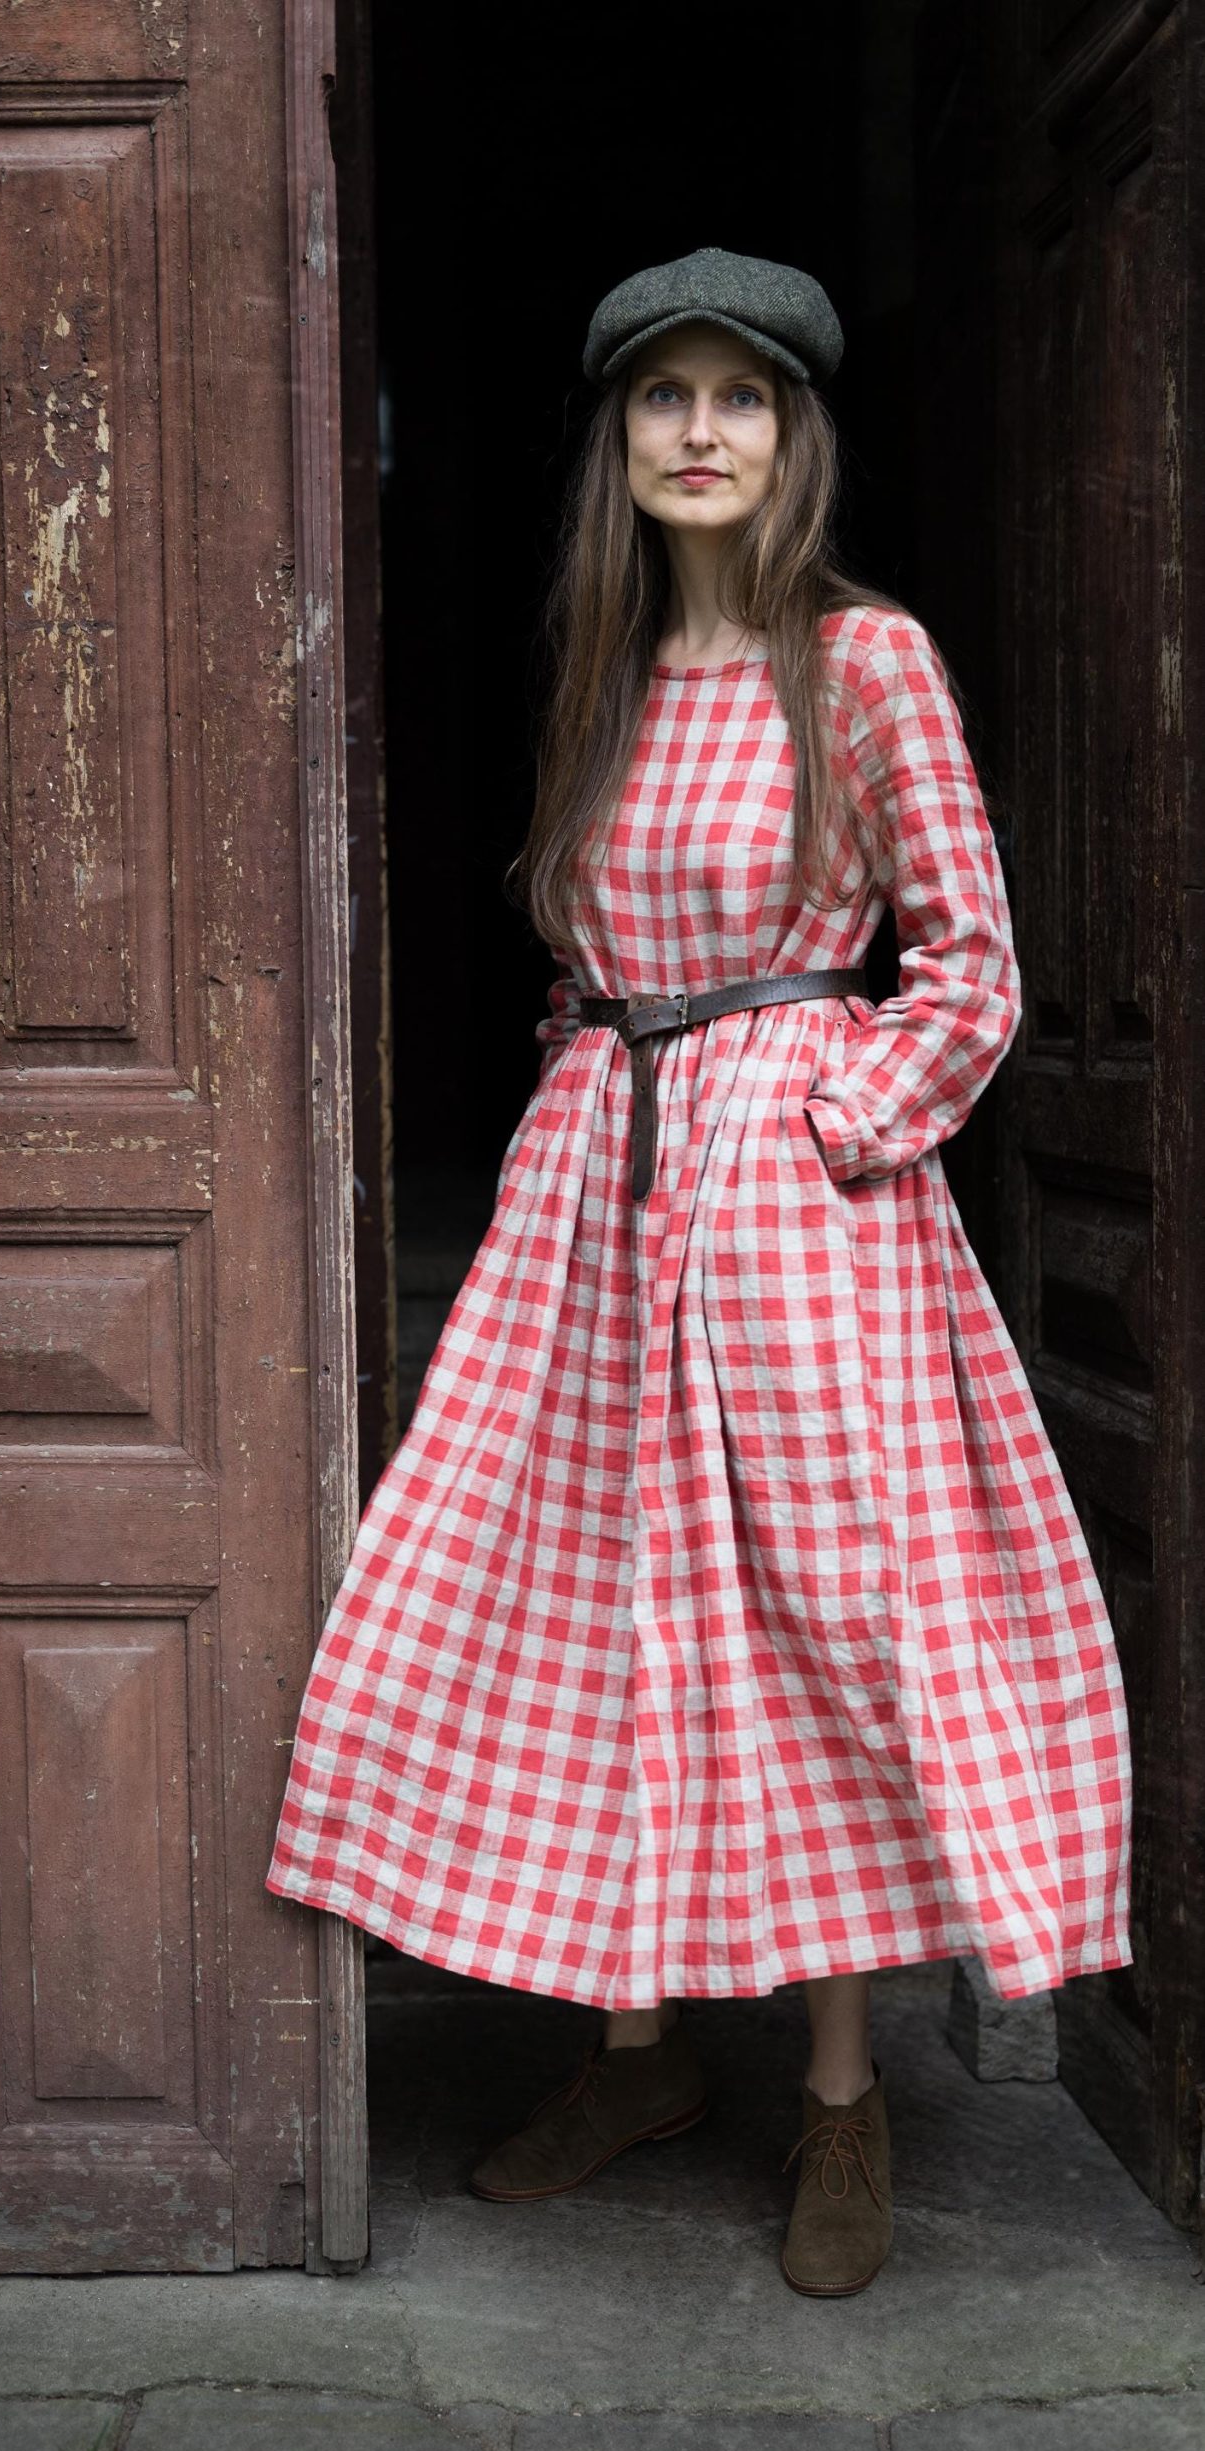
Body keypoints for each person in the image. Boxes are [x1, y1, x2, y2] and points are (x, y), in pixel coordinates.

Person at [266, 247, 1132, 2296]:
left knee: (815, 1612)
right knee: (590, 1590)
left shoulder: (870, 659)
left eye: (743, 397)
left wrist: (826, 1129)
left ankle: (843, 2095)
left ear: (795, 435)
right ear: (621, 442)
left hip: (801, 1212)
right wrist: (597, 1099)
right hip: (603, 1190)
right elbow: (587, 955)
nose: (703, 432)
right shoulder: (606, 668)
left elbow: (974, 970)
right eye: (666, 398)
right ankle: (636, 2048)